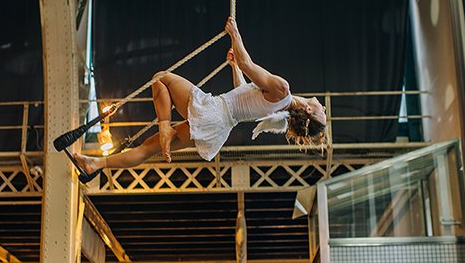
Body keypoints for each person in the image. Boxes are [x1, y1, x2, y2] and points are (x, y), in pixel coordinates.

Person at [73, 17, 327, 175]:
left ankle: (164, 127)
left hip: (214, 112)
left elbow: (248, 64)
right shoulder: (281, 108)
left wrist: (235, 34)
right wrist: (234, 67)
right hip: (221, 125)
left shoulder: (282, 90)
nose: (324, 108)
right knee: (147, 149)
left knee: (161, 78)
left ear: (308, 111)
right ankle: (96, 165)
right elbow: (243, 94)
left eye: (322, 113)